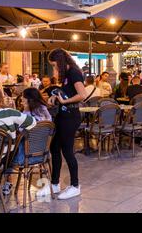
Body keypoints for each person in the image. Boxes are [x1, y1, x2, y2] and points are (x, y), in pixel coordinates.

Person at [37, 48, 87, 200]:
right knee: (54, 148)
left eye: (54, 65)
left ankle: (75, 186)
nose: (54, 68)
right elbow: (67, 91)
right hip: (63, 115)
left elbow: (82, 95)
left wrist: (65, 101)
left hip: (71, 116)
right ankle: (54, 184)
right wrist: (55, 96)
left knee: (67, 151)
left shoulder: (74, 72)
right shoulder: (67, 75)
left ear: (60, 61)